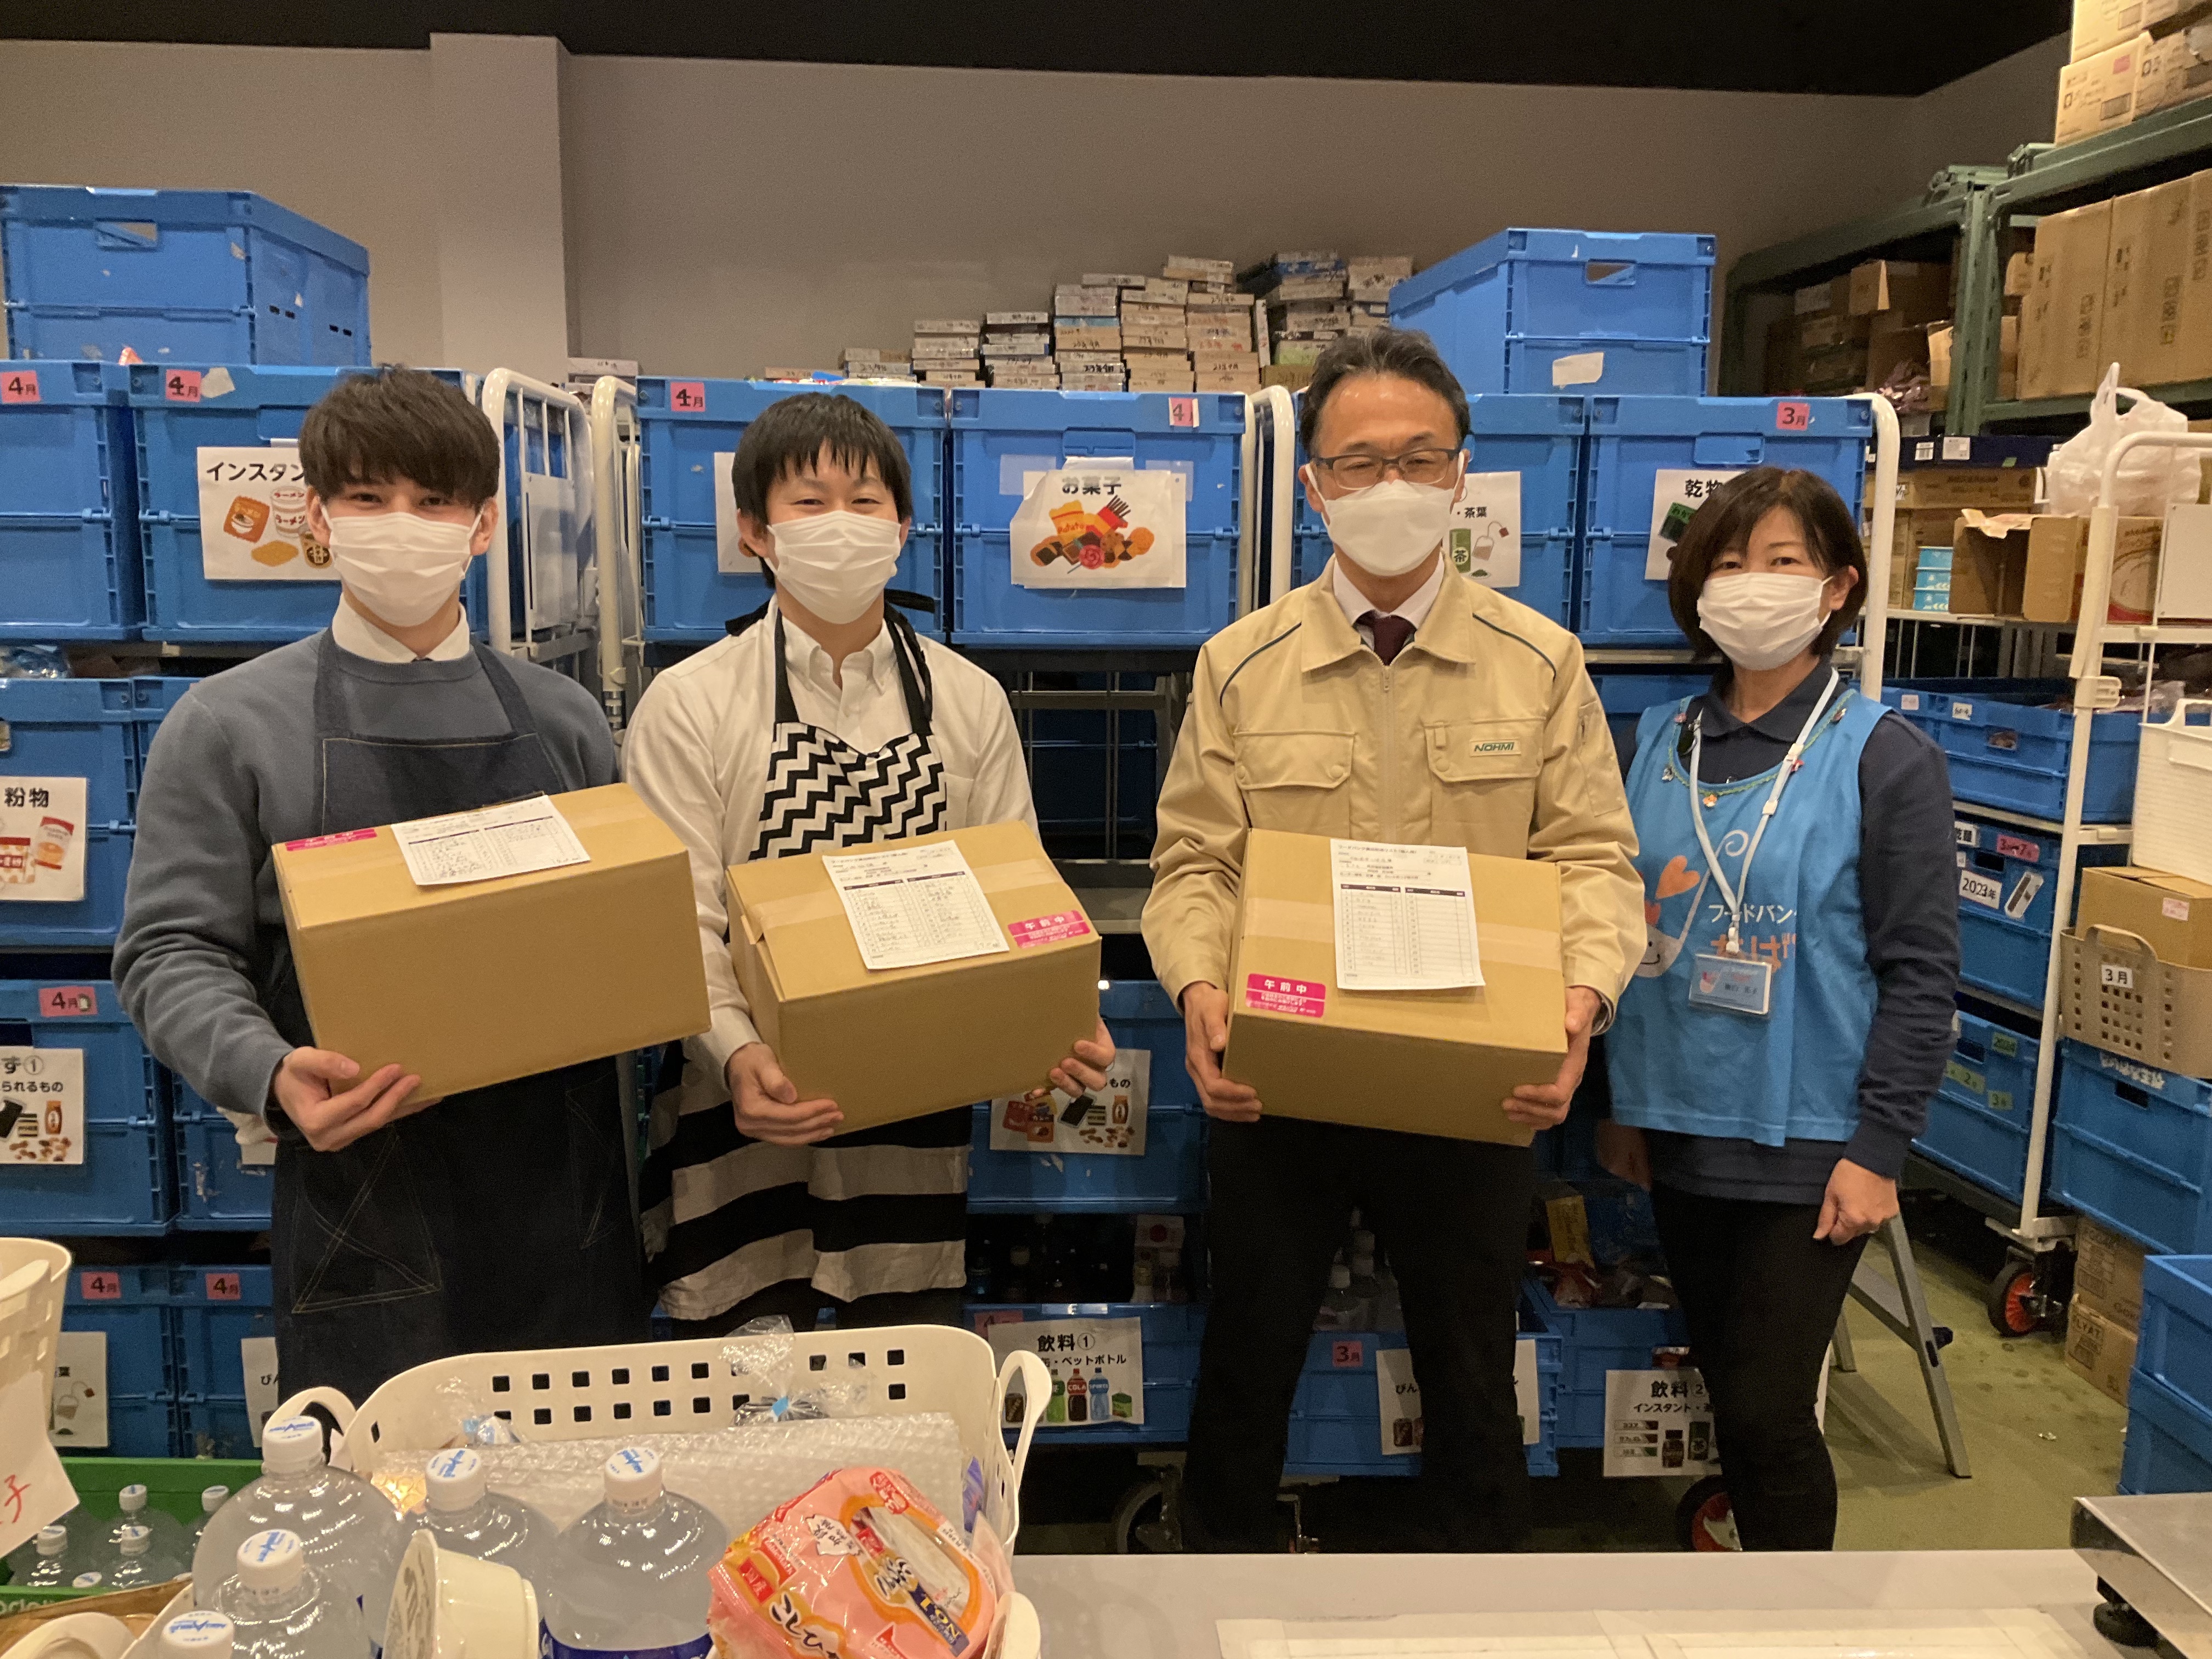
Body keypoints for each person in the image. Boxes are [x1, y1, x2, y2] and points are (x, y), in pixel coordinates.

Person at [1142, 328, 1645, 1551]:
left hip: (1470, 1082)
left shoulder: (1538, 665)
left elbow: (1593, 860)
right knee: (1248, 1349)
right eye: (1358, 463)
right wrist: (1200, 989)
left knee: (1473, 1364)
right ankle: (1215, 1576)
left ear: (1460, 473)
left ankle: (1478, 1596)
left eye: (1417, 458)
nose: (1389, 485)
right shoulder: (1242, 666)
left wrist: (1580, 1004)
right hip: (1286, 1071)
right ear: (1313, 485)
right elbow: (1196, 861)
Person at [117, 368, 646, 1403]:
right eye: (368, 498)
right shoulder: (230, 725)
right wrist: (268, 1070)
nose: (402, 524)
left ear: (482, 525)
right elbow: (169, 950)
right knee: (380, 1488)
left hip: (564, 1199)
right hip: (361, 1191)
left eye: (434, 500)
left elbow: (614, 934)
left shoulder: (566, 721)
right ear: (319, 518)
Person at [624, 392, 1114, 1335]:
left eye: (864, 502)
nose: (840, 524)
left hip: (916, 1097)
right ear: (755, 531)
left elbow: (1017, 895)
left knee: (898, 1368)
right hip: (743, 1104)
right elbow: (679, 923)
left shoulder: (969, 701)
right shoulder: (690, 704)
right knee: (745, 1380)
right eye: (809, 503)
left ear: (902, 527)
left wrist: (1048, 1019)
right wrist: (742, 1057)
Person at [1596, 466, 1959, 1551]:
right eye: (1728, 562)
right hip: (1677, 1122)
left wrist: (1880, 1149)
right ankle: (1754, 1586)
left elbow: (1923, 970)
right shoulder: (1657, 741)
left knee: (1770, 1409)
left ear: (1837, 587)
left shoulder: (1883, 756)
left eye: (1783, 562)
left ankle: (1799, 1614)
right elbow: (1610, 928)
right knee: (1728, 1388)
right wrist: (1622, 1106)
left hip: (1810, 1139)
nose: (1751, 583)